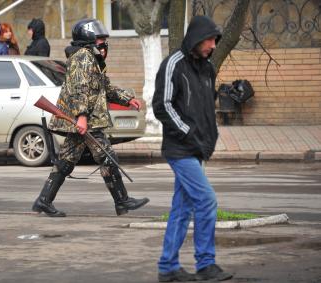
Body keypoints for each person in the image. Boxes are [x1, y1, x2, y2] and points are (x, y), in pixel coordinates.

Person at [31, 18, 149, 217]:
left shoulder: (92, 60)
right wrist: (82, 117)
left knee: (66, 161)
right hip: (86, 120)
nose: (104, 43)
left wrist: (127, 99)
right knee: (107, 156)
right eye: (100, 39)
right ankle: (122, 201)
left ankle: (43, 201)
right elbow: (80, 89)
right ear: (88, 39)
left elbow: (106, 88)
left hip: (83, 120)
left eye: (104, 39)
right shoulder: (83, 57)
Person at [152, 16, 233, 282]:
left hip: (197, 147)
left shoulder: (207, 67)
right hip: (180, 148)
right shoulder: (173, 64)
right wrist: (187, 132)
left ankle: (168, 267)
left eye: (215, 40)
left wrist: (210, 135)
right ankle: (206, 264)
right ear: (197, 38)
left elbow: (207, 106)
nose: (213, 45)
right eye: (209, 40)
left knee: (181, 209)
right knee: (206, 200)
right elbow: (162, 105)